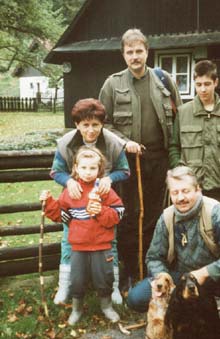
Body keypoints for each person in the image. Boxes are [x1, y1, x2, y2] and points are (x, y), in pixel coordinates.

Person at [127, 166, 220, 339]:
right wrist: (161, 278)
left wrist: (206, 272)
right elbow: (154, 257)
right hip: (180, 278)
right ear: (170, 194)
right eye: (175, 192)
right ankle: (172, 322)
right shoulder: (167, 217)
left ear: (198, 190)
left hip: (214, 276)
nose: (181, 198)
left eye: (186, 191)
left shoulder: (214, 211)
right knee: (136, 298)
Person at [99, 28, 182, 287]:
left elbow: (178, 119)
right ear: (123, 54)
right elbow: (102, 124)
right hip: (127, 162)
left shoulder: (164, 80)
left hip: (159, 160)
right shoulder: (112, 84)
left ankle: (152, 266)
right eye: (130, 52)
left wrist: (176, 158)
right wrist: (125, 142)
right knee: (128, 214)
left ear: (147, 51)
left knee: (156, 215)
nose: (135, 56)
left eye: (139, 51)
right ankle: (130, 269)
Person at [50, 98, 130, 305]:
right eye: (85, 125)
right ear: (77, 124)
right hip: (75, 199)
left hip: (103, 200)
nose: (91, 130)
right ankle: (65, 286)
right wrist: (68, 181)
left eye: (95, 124)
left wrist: (109, 178)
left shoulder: (113, 142)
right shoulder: (66, 142)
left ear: (102, 123)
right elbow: (55, 171)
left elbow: (125, 170)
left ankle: (112, 288)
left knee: (109, 240)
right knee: (68, 240)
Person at [40, 147, 125, 324]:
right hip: (78, 247)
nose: (88, 172)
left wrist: (101, 211)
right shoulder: (72, 190)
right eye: (84, 168)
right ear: (76, 168)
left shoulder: (104, 190)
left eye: (92, 168)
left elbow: (117, 215)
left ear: (99, 169)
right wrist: (48, 203)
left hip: (102, 246)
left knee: (104, 279)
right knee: (76, 280)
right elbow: (61, 216)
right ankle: (76, 309)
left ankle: (106, 306)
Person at [169, 59, 220, 215]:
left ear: (216, 82)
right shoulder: (183, 113)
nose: (203, 89)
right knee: (191, 235)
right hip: (191, 190)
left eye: (207, 84)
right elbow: (174, 146)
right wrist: (180, 170)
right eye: (198, 84)